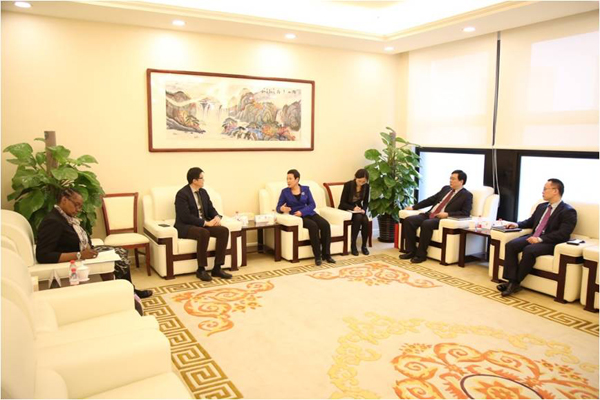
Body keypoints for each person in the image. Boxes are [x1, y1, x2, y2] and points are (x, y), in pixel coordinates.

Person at [36, 189, 152, 314]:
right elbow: (43, 255)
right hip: (77, 257)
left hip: (84, 253)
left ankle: (130, 290)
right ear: (64, 200)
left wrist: (87, 248)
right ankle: (127, 295)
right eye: (76, 205)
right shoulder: (53, 221)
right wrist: (79, 255)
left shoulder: (65, 217)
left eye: (80, 206)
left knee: (121, 252)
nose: (78, 209)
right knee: (119, 259)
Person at [497, 178, 577, 297]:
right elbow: (530, 221)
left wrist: (540, 239)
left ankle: (514, 283)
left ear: (555, 191)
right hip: (534, 236)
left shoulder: (568, 211)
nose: (542, 192)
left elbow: (563, 233)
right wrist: (517, 224)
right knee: (511, 245)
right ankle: (511, 281)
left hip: (550, 242)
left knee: (529, 250)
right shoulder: (541, 206)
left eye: (545, 189)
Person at [400, 170, 473, 264]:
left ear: (461, 181)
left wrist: (448, 214)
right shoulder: (446, 189)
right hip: (430, 214)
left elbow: (465, 213)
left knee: (426, 224)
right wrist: (414, 207)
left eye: (453, 179)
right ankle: (411, 251)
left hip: (442, 219)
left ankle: (421, 255)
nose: (450, 181)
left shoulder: (466, 195)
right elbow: (431, 200)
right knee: (409, 220)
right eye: (450, 178)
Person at [174, 167, 232, 282]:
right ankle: (201, 269)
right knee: (203, 233)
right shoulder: (182, 194)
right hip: (186, 226)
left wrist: (216, 217)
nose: (203, 180)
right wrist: (205, 223)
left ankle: (217, 267)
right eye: (202, 178)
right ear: (194, 180)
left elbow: (210, 208)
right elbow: (186, 217)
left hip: (203, 225)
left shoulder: (203, 192)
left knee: (223, 230)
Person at [277, 169, 335, 266]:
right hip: (297, 217)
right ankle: (317, 256)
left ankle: (327, 255)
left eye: (290, 179)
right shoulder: (285, 192)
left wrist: (302, 211)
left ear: (297, 179)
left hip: (309, 213)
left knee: (325, 224)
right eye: (287, 179)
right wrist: (282, 209)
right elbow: (278, 207)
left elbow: (312, 204)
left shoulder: (306, 189)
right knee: (313, 226)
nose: (288, 181)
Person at [339, 169, 370, 256]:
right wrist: (353, 208)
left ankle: (364, 246)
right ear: (356, 177)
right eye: (359, 181)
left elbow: (366, 202)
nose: (361, 183)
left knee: (365, 220)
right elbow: (342, 203)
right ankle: (353, 245)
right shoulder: (348, 185)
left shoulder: (366, 186)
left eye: (364, 182)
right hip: (347, 209)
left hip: (358, 209)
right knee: (358, 218)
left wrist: (364, 209)